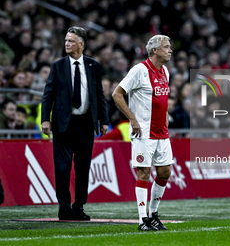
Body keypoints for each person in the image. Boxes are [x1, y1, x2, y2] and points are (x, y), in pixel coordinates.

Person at [41, 26, 109, 221]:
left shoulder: (93, 65)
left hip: (86, 124)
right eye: (66, 41)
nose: (67, 44)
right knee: (62, 168)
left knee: (83, 168)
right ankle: (64, 207)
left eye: (71, 41)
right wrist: (45, 119)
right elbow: (48, 94)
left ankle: (78, 206)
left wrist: (103, 120)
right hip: (63, 124)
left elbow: (99, 95)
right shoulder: (58, 66)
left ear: (81, 44)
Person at [112, 35, 173, 231]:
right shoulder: (139, 70)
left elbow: (161, 102)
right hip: (143, 132)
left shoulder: (165, 71)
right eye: (166, 47)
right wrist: (133, 119)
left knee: (165, 172)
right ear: (154, 50)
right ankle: (142, 219)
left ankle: (154, 214)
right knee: (144, 172)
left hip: (161, 132)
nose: (170, 50)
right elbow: (117, 94)